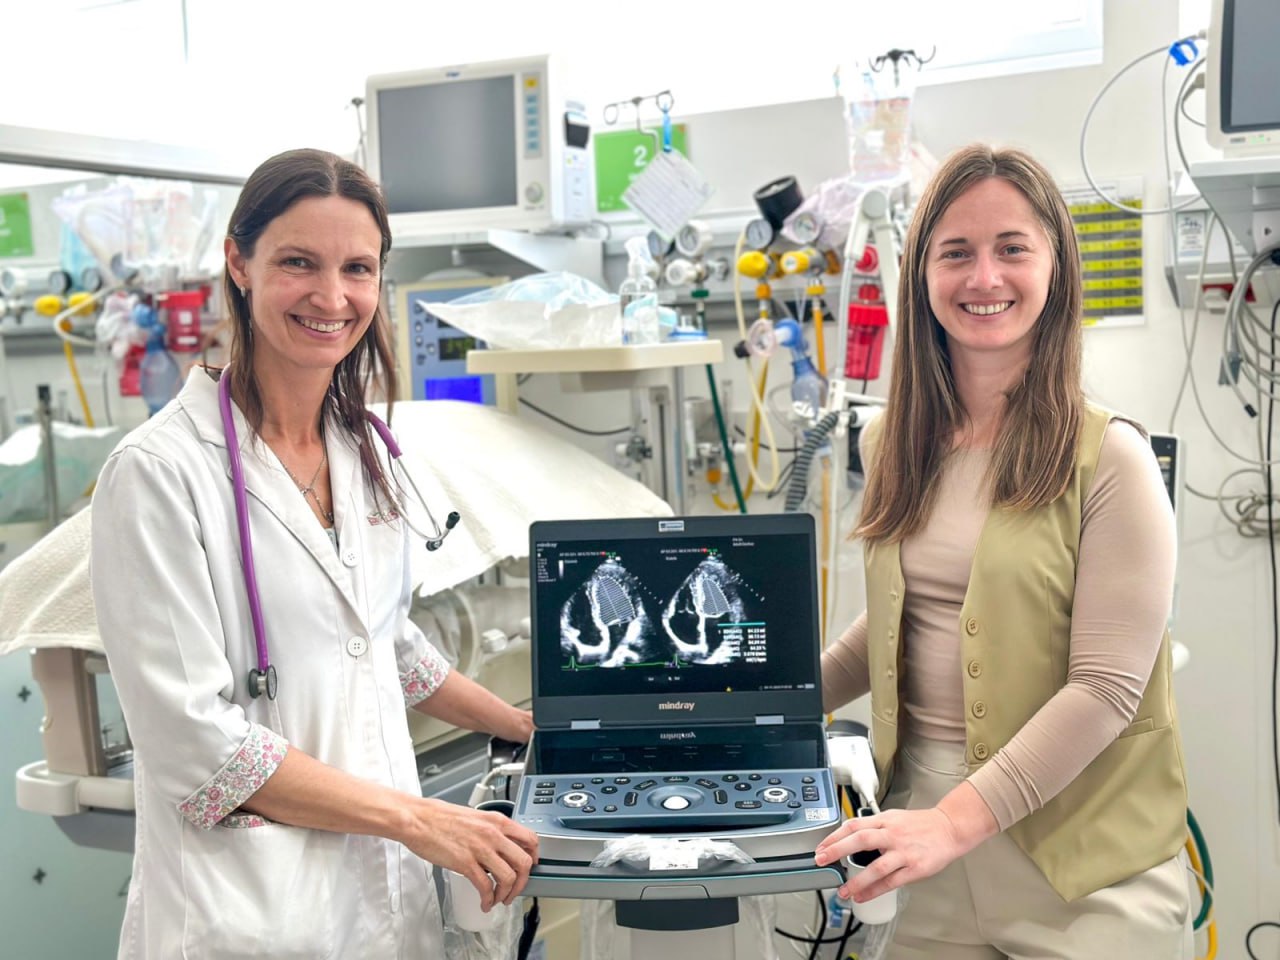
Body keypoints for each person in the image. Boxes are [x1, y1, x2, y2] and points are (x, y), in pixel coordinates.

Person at [90, 148, 539, 959]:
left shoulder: (363, 449)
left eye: (356, 268)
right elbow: (194, 743)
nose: (332, 297)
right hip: (249, 915)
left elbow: (384, 639)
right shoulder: (159, 474)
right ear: (239, 262)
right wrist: (419, 819)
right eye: (299, 262)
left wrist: (520, 726)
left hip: (386, 905)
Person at [813, 144, 1191, 959]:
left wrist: (955, 824)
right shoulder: (890, 443)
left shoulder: (1111, 459)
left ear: (1055, 266)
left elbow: (1105, 689)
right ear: (921, 275)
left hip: (1084, 861)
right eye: (956, 252)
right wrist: (756, 709)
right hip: (920, 840)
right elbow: (894, 620)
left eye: (1012, 248)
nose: (984, 277)